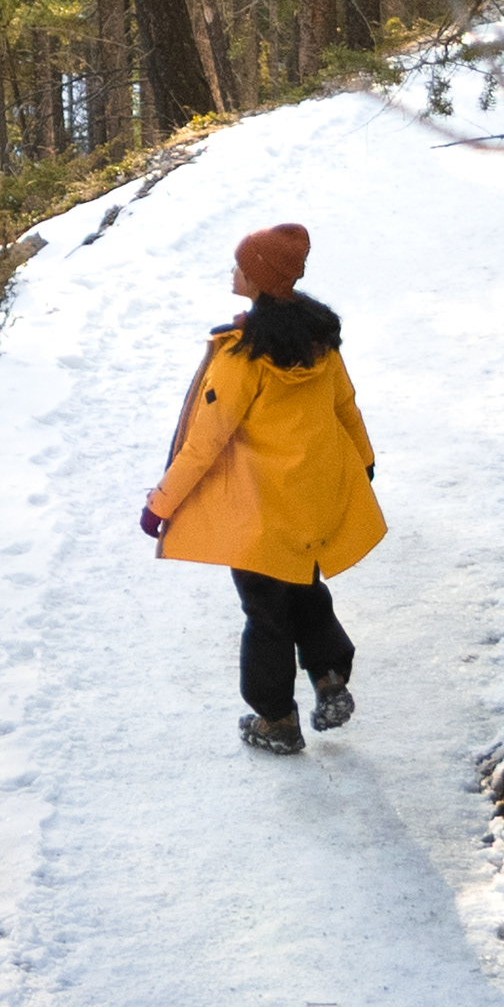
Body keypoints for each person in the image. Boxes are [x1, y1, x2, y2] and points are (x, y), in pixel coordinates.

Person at [139, 220, 385, 755]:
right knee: (305, 588)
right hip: (312, 497)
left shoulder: (241, 359)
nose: (233, 272)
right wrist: (364, 463)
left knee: (265, 612)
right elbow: (347, 408)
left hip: (258, 512)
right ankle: (328, 675)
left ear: (258, 280)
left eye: (241, 266)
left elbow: (204, 444)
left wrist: (161, 504)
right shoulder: (321, 344)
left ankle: (276, 720)